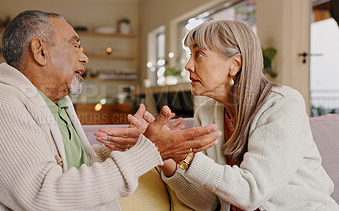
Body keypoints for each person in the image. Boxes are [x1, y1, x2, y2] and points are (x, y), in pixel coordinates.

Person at [0, 10, 222, 210]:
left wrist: (131, 145)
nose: (85, 56)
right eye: (75, 45)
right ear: (40, 52)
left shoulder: (57, 104)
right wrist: (150, 150)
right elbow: (47, 196)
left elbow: (67, 165)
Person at [95, 20, 339, 210]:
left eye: (199, 54)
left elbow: (251, 192)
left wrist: (183, 153)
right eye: (190, 56)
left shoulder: (283, 104)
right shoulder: (208, 112)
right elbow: (208, 203)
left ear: (235, 63)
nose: (188, 66)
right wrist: (165, 155)